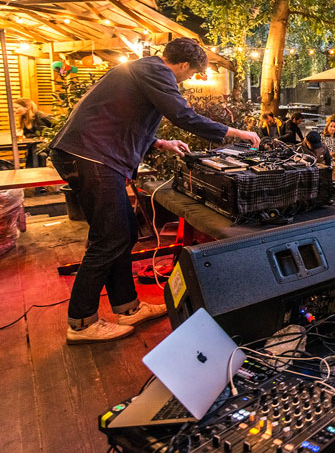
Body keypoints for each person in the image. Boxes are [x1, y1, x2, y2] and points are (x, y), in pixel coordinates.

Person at [49, 37, 260, 344]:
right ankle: (81, 323)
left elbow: (121, 118)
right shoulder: (157, 71)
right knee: (108, 239)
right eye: (190, 74)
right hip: (92, 157)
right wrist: (235, 132)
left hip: (90, 155)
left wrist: (160, 143)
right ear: (184, 65)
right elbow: (182, 115)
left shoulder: (141, 70)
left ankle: (127, 307)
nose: (188, 80)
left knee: (124, 233)